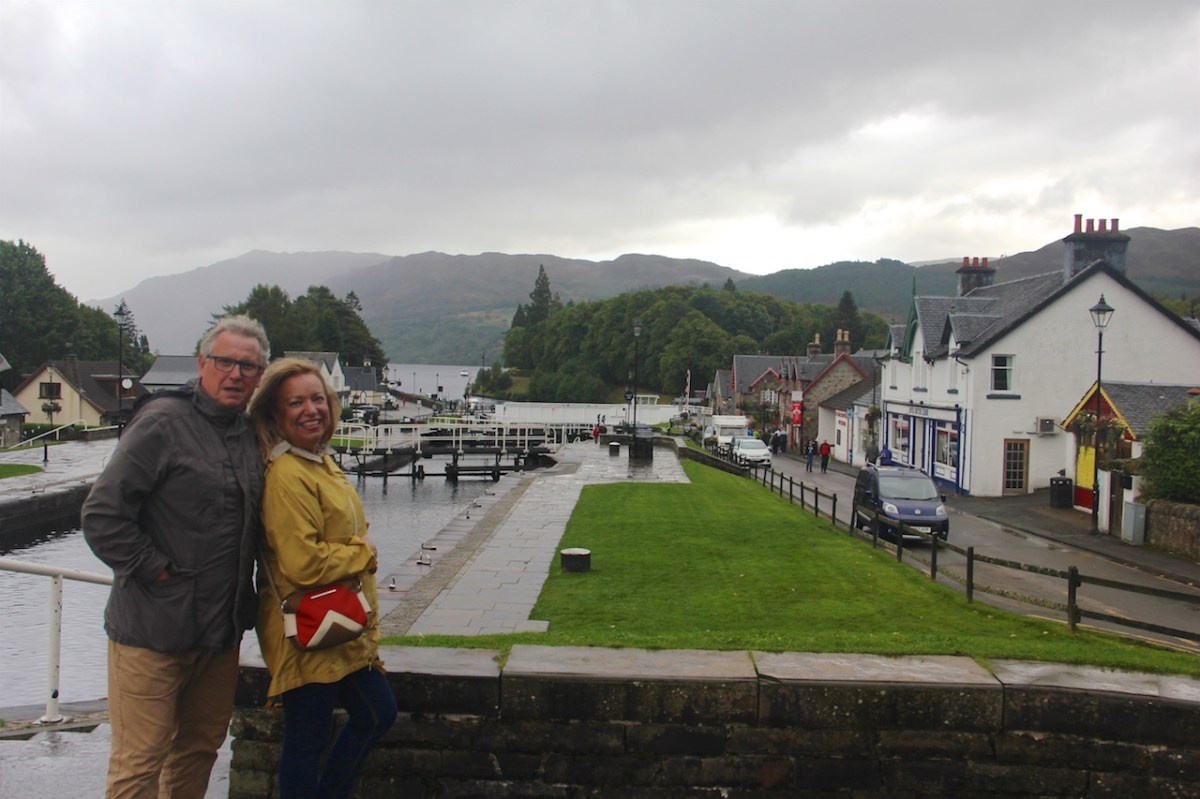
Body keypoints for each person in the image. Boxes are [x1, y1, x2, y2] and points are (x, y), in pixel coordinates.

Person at [82, 314, 270, 798]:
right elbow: (102, 516)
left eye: (248, 367)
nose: (235, 374)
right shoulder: (162, 422)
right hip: (153, 630)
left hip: (219, 633)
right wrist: (157, 571)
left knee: (198, 751)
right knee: (139, 761)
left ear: (259, 376)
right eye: (225, 362)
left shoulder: (248, 433)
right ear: (201, 363)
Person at [248, 358, 397, 798]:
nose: (310, 409)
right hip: (306, 630)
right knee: (307, 741)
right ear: (276, 414)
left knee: (377, 712)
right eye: (296, 403)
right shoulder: (286, 476)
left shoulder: (316, 461)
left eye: (317, 399)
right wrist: (362, 552)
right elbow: (304, 564)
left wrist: (354, 543)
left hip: (338, 626)